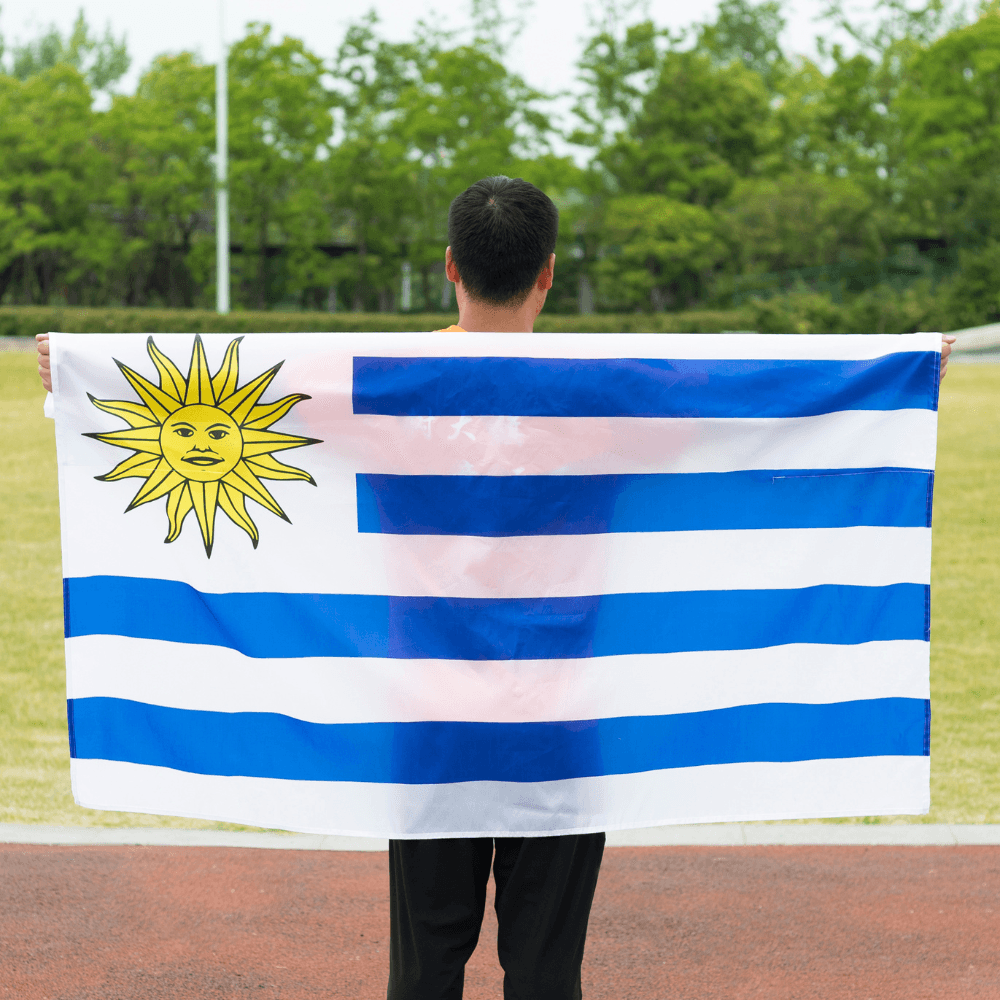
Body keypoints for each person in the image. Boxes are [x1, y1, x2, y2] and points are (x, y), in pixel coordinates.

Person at [35, 176, 958, 1000]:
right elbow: (753, 396)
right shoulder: (610, 391)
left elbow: (218, 404)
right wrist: (903, 373)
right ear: (549, 273)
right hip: (562, 717)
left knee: (423, 971)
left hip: (426, 719)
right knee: (547, 974)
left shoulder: (377, 386)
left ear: (448, 267)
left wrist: (75, 374)